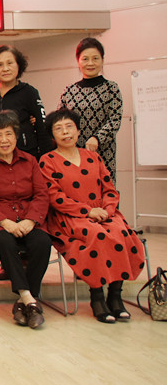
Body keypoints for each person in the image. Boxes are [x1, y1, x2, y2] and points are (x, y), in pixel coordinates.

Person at [40, 108, 145, 323]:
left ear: (78, 131)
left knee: (121, 232)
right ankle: (97, 297)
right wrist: (87, 211)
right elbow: (54, 197)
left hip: (104, 212)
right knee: (96, 235)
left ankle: (115, 296)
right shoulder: (47, 160)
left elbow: (110, 189)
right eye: (59, 129)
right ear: (52, 135)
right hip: (69, 216)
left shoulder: (93, 157)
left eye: (69, 127)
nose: (65, 132)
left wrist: (107, 210)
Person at [0, 111, 50, 329]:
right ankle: (30, 299)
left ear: (16, 136)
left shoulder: (30, 161)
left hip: (28, 219)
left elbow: (42, 194)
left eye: (8, 134)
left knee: (42, 242)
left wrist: (30, 221)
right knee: (5, 241)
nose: (4, 140)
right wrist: (5, 222)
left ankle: (24, 302)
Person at [0, 44, 48, 281]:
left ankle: (25, 264)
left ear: (19, 66)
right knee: (2, 208)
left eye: (10, 63)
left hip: (26, 157)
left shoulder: (29, 92)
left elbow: (41, 125)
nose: (5, 68)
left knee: (26, 207)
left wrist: (44, 158)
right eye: (0, 64)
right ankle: (8, 265)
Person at [58, 37, 123, 184]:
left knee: (103, 191)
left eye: (95, 58)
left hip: (102, 152)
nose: (90, 63)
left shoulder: (111, 88)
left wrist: (97, 138)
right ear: (78, 61)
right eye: (85, 59)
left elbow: (115, 120)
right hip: (72, 153)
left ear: (102, 60)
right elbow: (59, 120)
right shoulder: (69, 90)